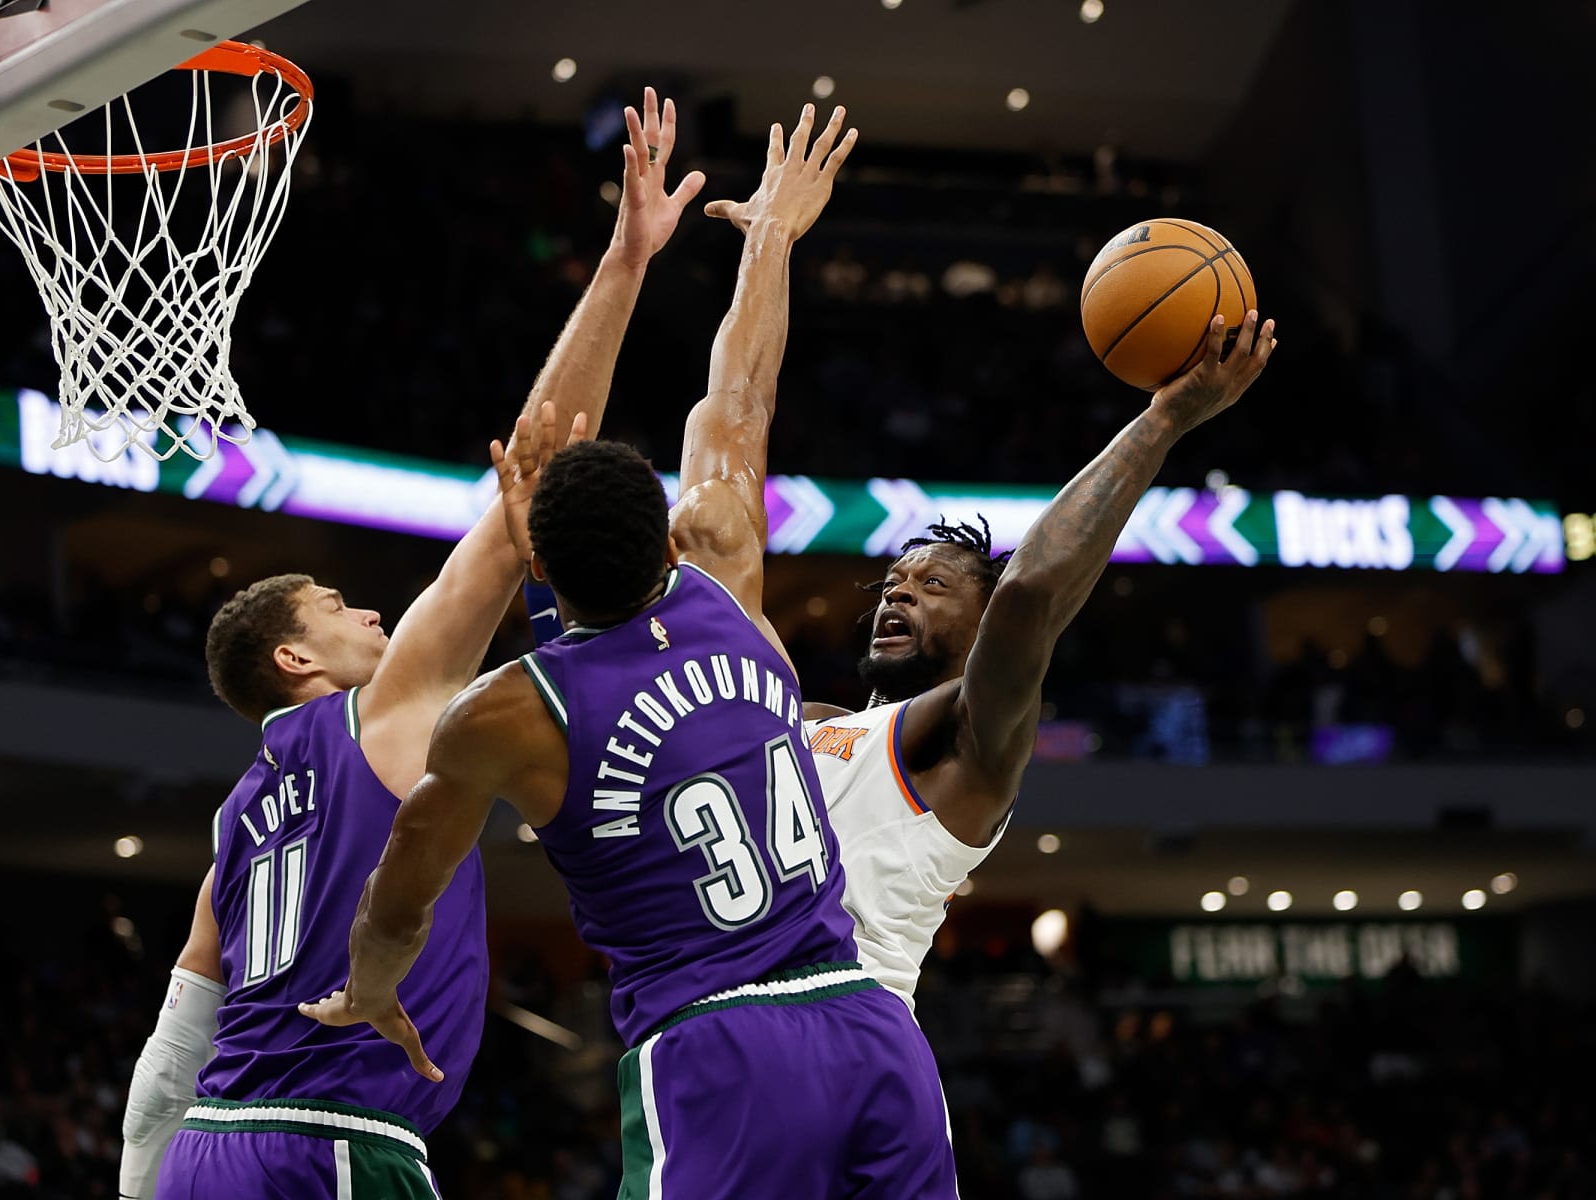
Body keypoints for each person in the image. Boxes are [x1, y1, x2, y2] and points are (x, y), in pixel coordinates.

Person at [306, 104, 960, 1198]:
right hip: (870, 1028)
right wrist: (772, 242)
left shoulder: (506, 715)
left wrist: (373, 987)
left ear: (539, 570)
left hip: (720, 1055)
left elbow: (400, 895)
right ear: (666, 534)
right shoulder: (724, 583)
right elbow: (740, 403)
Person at [117, 88, 707, 1200]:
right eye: (341, 610)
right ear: (294, 660)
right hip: (328, 1145)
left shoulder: (237, 818)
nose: (376, 619)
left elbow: (173, 1048)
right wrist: (625, 267)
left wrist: (144, 1184)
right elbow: (535, 478)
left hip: (208, 1150)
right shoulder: (380, 710)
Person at [797, 307, 1276, 1006]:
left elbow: (1028, 593)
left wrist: (1165, 420)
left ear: (984, 624)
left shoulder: (971, 742)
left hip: (852, 1021)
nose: (899, 597)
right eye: (893, 585)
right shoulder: (804, 720)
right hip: (739, 1023)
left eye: (933, 585)